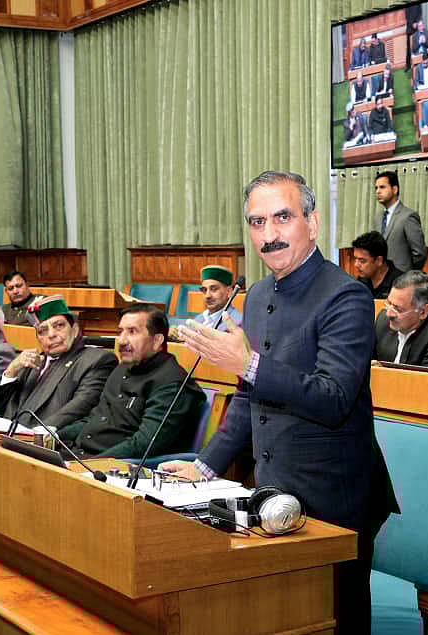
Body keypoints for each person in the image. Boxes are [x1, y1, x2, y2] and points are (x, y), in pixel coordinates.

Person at [167, 171, 396, 635]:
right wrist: (206, 466)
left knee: (336, 622)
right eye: (256, 222)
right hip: (273, 491)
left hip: (336, 499)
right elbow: (251, 398)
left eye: (282, 218)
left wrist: (247, 364)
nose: (268, 236)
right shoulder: (256, 296)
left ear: (312, 224)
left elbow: (333, 398)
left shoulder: (347, 296)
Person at [56, 304, 206, 458]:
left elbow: (143, 444)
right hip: (80, 456)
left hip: (114, 470)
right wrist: (53, 436)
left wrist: (89, 466)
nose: (121, 340)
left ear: (157, 340)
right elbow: (93, 420)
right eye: (120, 331)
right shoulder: (122, 368)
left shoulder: (172, 383)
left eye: (132, 332)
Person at [0, 296, 118, 428]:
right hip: (7, 438)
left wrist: (33, 435)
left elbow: (77, 410)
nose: (51, 335)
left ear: (75, 330)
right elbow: (0, 411)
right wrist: (11, 371)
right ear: (38, 339)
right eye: (43, 331)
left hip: (47, 442)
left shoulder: (96, 360)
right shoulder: (32, 362)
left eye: (59, 326)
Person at [373, 271, 428, 372]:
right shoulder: (383, 321)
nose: (389, 314)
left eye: (398, 309)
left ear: (423, 311)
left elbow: (427, 384)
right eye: (389, 303)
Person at [373, 170, 427, 271]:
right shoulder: (378, 218)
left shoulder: (408, 216)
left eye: (382, 187)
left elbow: (419, 253)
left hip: (403, 279)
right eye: (376, 188)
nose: (377, 191)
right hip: (381, 278)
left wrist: (409, 275)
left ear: (394, 189)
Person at [352, 231, 404, 299]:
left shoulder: (400, 283)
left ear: (379, 260)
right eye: (355, 259)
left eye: (362, 261)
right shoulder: (361, 280)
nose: (356, 265)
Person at [194, 266, 243, 330]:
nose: (207, 295)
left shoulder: (237, 323)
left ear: (229, 292)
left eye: (214, 289)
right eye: (204, 290)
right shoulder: (199, 319)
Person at [404, 4, 423, 71]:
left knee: (419, 44)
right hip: (410, 28)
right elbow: (407, 16)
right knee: (409, 47)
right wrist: (412, 23)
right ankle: (408, 65)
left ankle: (419, 61)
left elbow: (420, 12)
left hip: (417, 26)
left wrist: (417, 22)